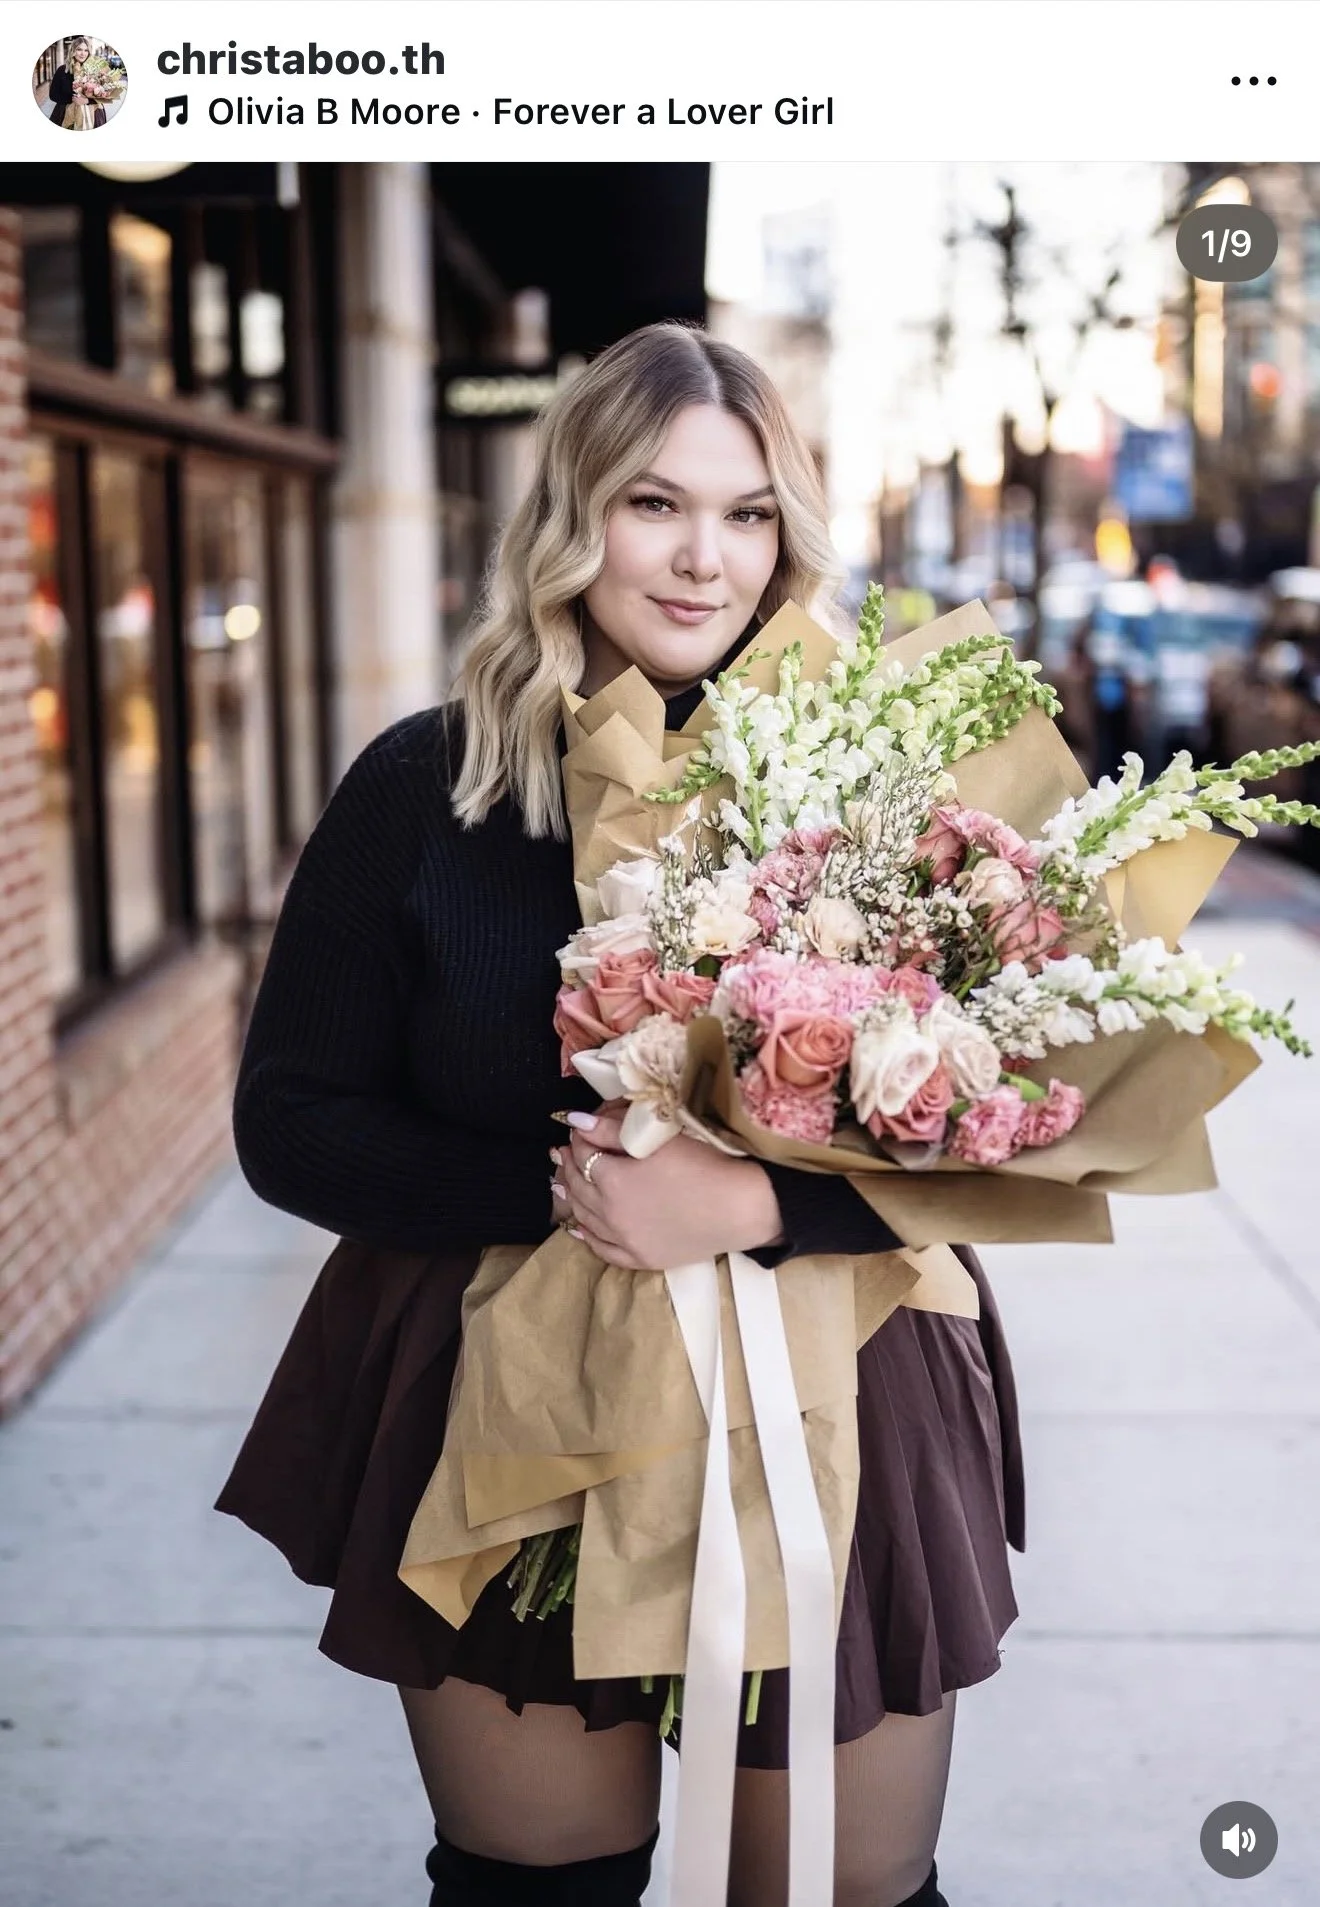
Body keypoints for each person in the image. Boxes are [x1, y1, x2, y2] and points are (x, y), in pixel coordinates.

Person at [216, 324, 1025, 1907]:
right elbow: (292, 1120)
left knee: (844, 1893)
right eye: (656, 504)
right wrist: (578, 1185)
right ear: (575, 516)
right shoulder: (427, 786)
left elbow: (1011, 1127)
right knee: (536, 1890)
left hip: (835, 1391)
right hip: (504, 1398)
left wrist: (764, 1205)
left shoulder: (883, 786)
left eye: (745, 513)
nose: (702, 558)